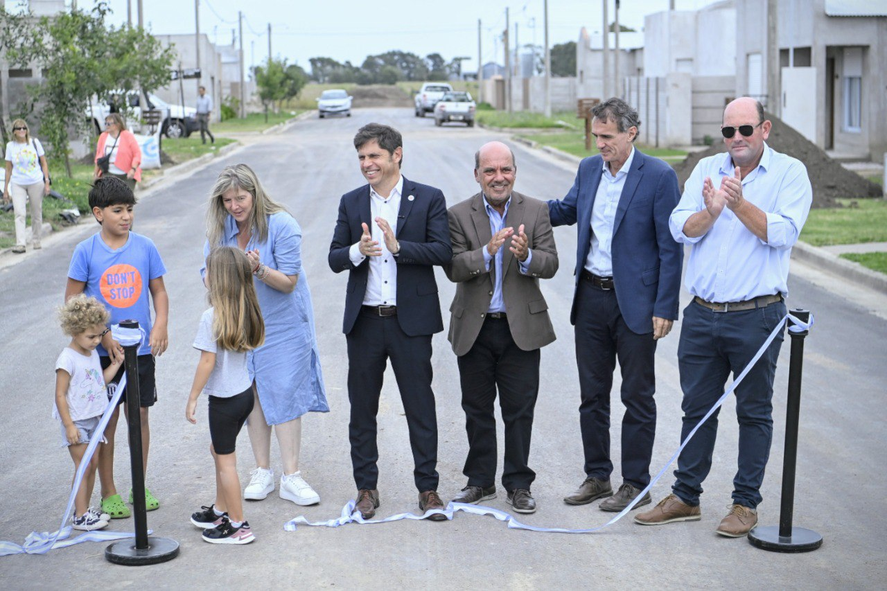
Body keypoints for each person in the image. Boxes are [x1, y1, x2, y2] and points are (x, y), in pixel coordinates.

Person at [635, 97, 813, 537]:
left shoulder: (790, 173)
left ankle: (744, 504)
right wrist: (712, 211)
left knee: (754, 412)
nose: (736, 139)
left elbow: (782, 233)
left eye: (745, 130)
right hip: (702, 314)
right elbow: (680, 228)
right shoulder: (706, 170)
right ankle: (685, 496)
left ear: (765, 129)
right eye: (728, 132)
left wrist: (736, 205)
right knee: (696, 408)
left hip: (757, 314)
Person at [548, 97, 683, 512]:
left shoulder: (659, 176)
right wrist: (512, 205)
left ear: (630, 132)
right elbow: (567, 210)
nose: (599, 143)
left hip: (637, 304)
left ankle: (636, 483)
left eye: (607, 136)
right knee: (592, 394)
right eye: (595, 135)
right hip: (590, 297)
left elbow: (670, 249)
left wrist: (665, 306)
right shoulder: (589, 169)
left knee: (637, 396)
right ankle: (598, 476)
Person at [328, 123, 453, 521]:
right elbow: (333, 258)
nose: (367, 164)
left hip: (409, 322)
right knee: (362, 409)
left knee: (420, 407)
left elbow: (443, 251)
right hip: (365, 322)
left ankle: (428, 489)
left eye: (374, 156)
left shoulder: (428, 197)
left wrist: (399, 247)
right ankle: (366, 489)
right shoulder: (351, 202)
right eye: (362, 157)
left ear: (396, 154)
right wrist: (356, 250)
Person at [444, 141, 558, 514]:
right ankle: (480, 481)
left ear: (514, 171)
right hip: (475, 329)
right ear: (477, 175)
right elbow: (454, 268)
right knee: (476, 408)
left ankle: (519, 484)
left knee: (519, 410)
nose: (498, 177)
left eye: (505, 169)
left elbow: (551, 263)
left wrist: (526, 256)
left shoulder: (537, 210)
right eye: (490, 171)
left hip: (520, 327)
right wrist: (488, 252)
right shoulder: (459, 214)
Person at [205, 164, 328, 506]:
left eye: (240, 197)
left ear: (255, 194)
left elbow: (289, 283)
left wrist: (257, 268)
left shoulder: (282, 224)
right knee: (253, 393)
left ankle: (292, 476)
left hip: (284, 322)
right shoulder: (220, 229)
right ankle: (263, 471)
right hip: (244, 325)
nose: (234, 206)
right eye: (228, 200)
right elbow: (208, 275)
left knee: (285, 389)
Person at [65, 176, 169, 519]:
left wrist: (160, 325)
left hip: (139, 352)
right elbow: (72, 300)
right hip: (102, 357)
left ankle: (139, 484)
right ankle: (109, 492)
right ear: (98, 213)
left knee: (139, 416)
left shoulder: (145, 246)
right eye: (117, 210)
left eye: (130, 210)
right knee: (106, 423)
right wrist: (103, 335)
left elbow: (159, 292)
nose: (126, 217)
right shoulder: (86, 252)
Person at [187, 247, 264, 545]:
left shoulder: (212, 316)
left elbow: (207, 363)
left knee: (225, 461)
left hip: (223, 400)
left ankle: (238, 524)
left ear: (217, 279)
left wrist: (192, 397)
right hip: (243, 395)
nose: (203, 275)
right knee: (217, 450)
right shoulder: (246, 307)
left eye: (206, 270)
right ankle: (221, 509)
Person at [55, 295, 122, 531]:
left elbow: (98, 383)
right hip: (77, 421)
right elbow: (60, 395)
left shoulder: (91, 353)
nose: (96, 342)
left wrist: (115, 364)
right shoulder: (67, 359)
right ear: (74, 331)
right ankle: (81, 515)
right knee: (84, 465)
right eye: (91, 336)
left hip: (94, 419)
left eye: (99, 336)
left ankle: (83, 509)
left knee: (92, 463)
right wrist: (70, 425)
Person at [3, 118, 50, 253]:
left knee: (36, 212)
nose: (22, 130)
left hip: (35, 181)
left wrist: (46, 181)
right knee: (19, 213)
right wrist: (6, 188)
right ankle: (20, 244)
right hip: (18, 182)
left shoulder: (34, 143)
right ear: (14, 131)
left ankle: (36, 240)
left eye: (24, 128)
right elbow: (8, 169)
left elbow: (44, 163)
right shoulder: (10, 146)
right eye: (19, 128)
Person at [94, 113, 141, 191]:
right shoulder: (103, 136)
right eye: (105, 123)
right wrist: (95, 173)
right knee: (109, 199)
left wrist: (133, 169)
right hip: (109, 173)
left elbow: (137, 154)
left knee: (125, 200)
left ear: (117, 125)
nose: (107, 126)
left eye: (109, 124)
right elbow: (98, 156)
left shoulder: (127, 136)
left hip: (126, 174)